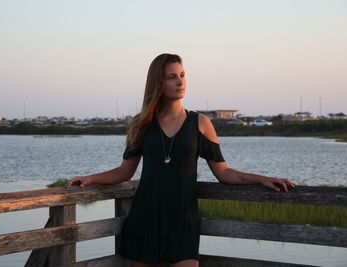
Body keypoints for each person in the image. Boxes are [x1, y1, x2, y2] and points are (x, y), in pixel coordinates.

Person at [66, 53, 296, 267]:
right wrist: (91, 178)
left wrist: (262, 178)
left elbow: (224, 173)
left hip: (183, 221)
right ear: (159, 83)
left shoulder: (201, 123)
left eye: (183, 75)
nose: (180, 82)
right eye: (172, 77)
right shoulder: (142, 123)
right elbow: (125, 172)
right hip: (145, 219)